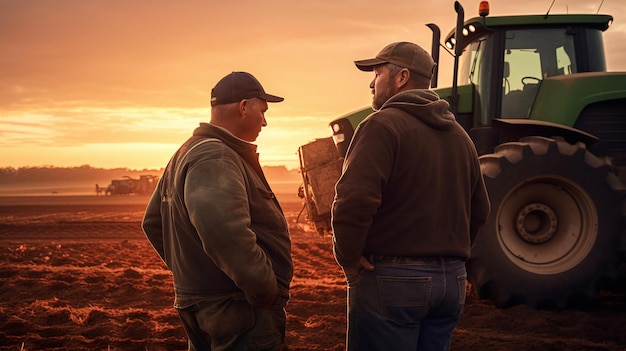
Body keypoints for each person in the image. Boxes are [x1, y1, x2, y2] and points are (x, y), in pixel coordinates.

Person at [331, 42, 490, 351]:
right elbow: (480, 209)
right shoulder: (460, 136)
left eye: (377, 73)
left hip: (393, 280)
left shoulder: (380, 125)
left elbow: (352, 200)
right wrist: (451, 255)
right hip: (451, 283)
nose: (371, 82)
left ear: (401, 77)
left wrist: (348, 257)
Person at [142, 71, 293, 351]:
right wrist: (263, 289)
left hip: (209, 303)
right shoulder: (216, 156)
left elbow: (153, 222)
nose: (265, 121)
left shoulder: (186, 152)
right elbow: (223, 230)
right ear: (244, 106)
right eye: (262, 110)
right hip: (235, 308)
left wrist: (194, 274)